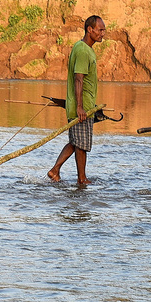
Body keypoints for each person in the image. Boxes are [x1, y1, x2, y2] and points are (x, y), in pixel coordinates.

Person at [49, 15, 105, 187]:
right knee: (80, 145)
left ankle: (56, 170)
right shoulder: (81, 50)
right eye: (100, 29)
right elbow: (78, 79)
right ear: (90, 29)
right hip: (81, 107)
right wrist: (80, 107)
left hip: (86, 106)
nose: (103, 33)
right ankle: (81, 178)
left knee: (77, 142)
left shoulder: (86, 49)